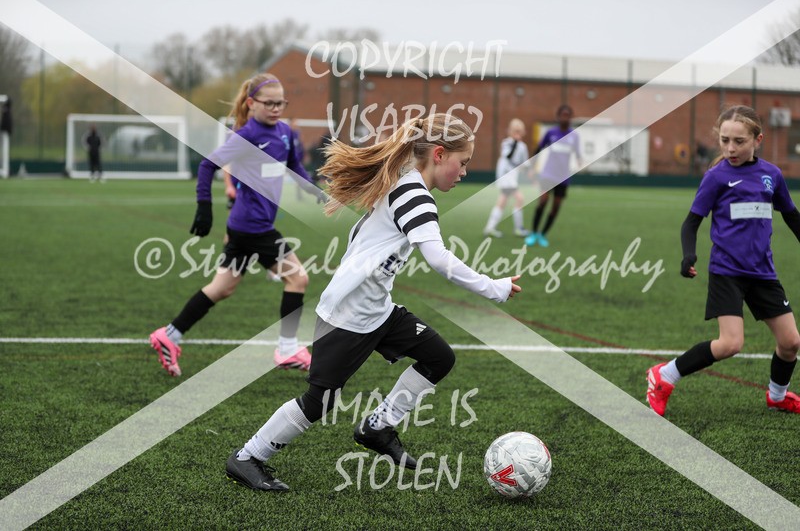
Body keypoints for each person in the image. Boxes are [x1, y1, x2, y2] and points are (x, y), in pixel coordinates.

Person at [225, 113, 522, 491]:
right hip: (347, 316)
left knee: (439, 357)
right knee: (320, 402)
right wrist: (492, 287)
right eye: (463, 163)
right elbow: (439, 259)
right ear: (439, 154)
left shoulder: (406, 181)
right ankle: (249, 456)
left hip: (377, 311)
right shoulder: (414, 194)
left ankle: (378, 427)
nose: (463, 173)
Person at [149, 72, 323, 377]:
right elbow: (207, 165)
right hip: (254, 226)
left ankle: (171, 334)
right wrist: (204, 207)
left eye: (280, 103)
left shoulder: (284, 132)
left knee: (222, 288)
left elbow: (294, 163)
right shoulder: (247, 135)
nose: (275, 108)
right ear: (251, 103)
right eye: (268, 103)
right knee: (298, 279)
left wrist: (310, 188)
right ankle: (286, 349)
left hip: (247, 226)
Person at [647, 105, 800, 416]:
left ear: (758, 139)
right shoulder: (717, 177)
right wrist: (688, 253)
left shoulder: (772, 175)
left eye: (739, 141)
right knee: (731, 343)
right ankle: (664, 375)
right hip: (727, 272)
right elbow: (691, 222)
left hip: (762, 272)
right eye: (725, 140)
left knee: (790, 343)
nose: (731, 148)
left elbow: (791, 215)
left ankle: (777, 395)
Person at [525, 104, 582, 247]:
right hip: (548, 175)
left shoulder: (574, 136)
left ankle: (542, 235)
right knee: (542, 202)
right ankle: (533, 233)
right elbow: (538, 149)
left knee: (555, 207)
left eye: (568, 115)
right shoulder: (551, 133)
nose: (565, 118)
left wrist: (580, 161)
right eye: (563, 115)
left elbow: (578, 154)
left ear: (570, 118)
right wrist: (532, 167)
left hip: (563, 179)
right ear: (558, 117)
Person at [483, 118, 530, 238]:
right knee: (519, 198)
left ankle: (490, 227)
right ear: (510, 131)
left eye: (519, 132)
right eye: (515, 131)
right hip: (505, 175)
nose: (517, 134)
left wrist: (529, 171)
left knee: (502, 201)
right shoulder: (507, 143)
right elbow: (508, 156)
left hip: (512, 176)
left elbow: (524, 163)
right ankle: (518, 229)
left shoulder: (523, 146)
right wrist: (515, 143)